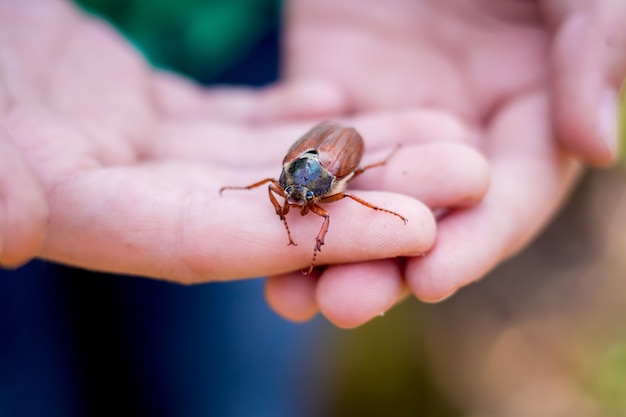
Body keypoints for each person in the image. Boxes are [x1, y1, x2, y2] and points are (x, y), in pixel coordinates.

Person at [0, 0, 623, 330]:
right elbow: (279, 186)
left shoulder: (330, 183)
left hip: (252, 37)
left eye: (302, 199)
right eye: (294, 197)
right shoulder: (290, 177)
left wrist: (325, 215)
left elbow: (337, 193)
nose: (295, 204)